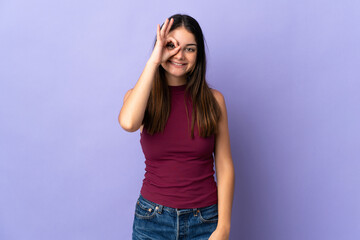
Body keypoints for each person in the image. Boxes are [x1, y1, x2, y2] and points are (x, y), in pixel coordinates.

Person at [118, 13, 235, 240]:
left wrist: (223, 227)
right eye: (171, 46)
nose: (179, 55)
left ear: (198, 54)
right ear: (159, 47)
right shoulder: (141, 98)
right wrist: (154, 60)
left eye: (189, 49)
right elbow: (129, 123)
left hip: (205, 219)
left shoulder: (214, 100)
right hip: (152, 220)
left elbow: (224, 164)